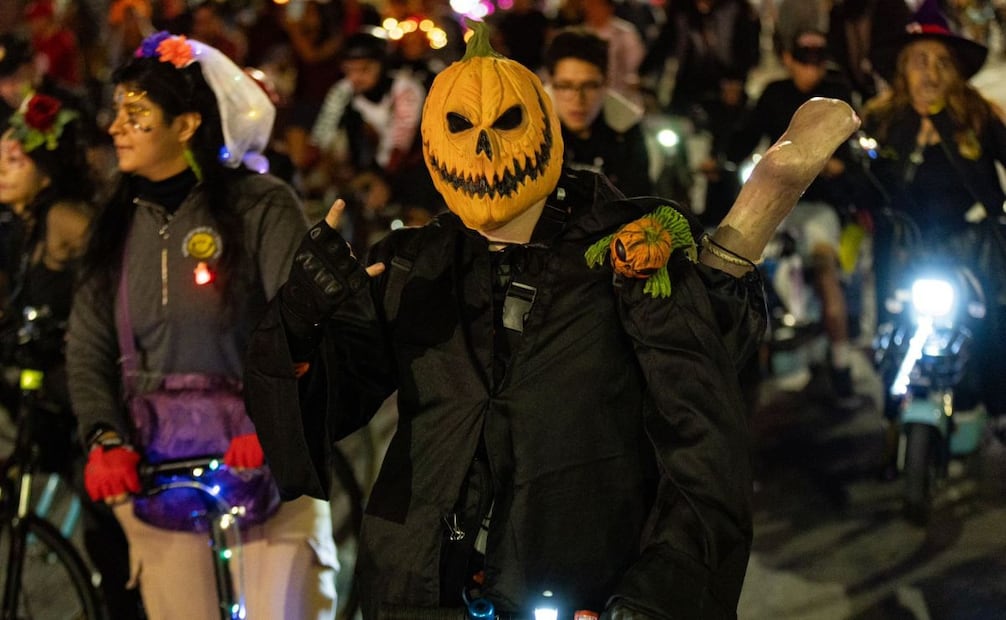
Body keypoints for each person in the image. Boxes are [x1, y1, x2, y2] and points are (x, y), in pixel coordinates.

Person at [243, 22, 859, 617]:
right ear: (434, 141)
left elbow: (699, 435)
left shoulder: (627, 252)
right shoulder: (412, 267)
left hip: (578, 587)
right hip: (418, 589)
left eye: (505, 121)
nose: (483, 146)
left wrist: (662, 589)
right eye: (461, 126)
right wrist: (299, 320)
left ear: (541, 125)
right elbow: (315, 415)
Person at [65, 32, 337, 620]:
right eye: (116, 113)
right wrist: (104, 438)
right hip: (158, 471)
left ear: (186, 125)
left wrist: (270, 420)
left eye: (135, 115)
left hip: (267, 461)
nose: (115, 128)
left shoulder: (262, 205)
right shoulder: (113, 224)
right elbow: (87, 343)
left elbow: (303, 320)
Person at [862, 0, 1006, 418]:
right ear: (903, 69)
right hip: (905, 245)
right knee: (892, 332)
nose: (931, 71)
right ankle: (894, 428)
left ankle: (996, 411)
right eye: (920, 60)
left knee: (989, 325)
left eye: (942, 61)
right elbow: (860, 179)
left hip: (971, 242)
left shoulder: (977, 115)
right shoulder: (881, 121)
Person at [723, 29, 861, 402]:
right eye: (804, 61)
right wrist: (724, 157)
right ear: (788, 59)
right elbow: (747, 134)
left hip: (819, 205)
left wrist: (839, 165)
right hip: (777, 200)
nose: (811, 71)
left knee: (825, 269)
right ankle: (739, 360)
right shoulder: (774, 95)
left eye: (818, 62)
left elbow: (853, 148)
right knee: (741, 264)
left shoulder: (839, 95)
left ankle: (841, 358)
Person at [307, 30, 431, 248]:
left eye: (365, 69)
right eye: (349, 70)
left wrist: (380, 179)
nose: (356, 77)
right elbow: (323, 133)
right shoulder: (343, 90)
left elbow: (399, 142)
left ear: (382, 65)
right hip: (364, 164)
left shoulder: (406, 89)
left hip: (412, 166)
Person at [544, 27, 653, 198]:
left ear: (606, 83)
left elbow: (637, 196)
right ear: (550, 83)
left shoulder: (626, 125)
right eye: (565, 86)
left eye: (589, 86)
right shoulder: (531, 125)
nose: (578, 99)